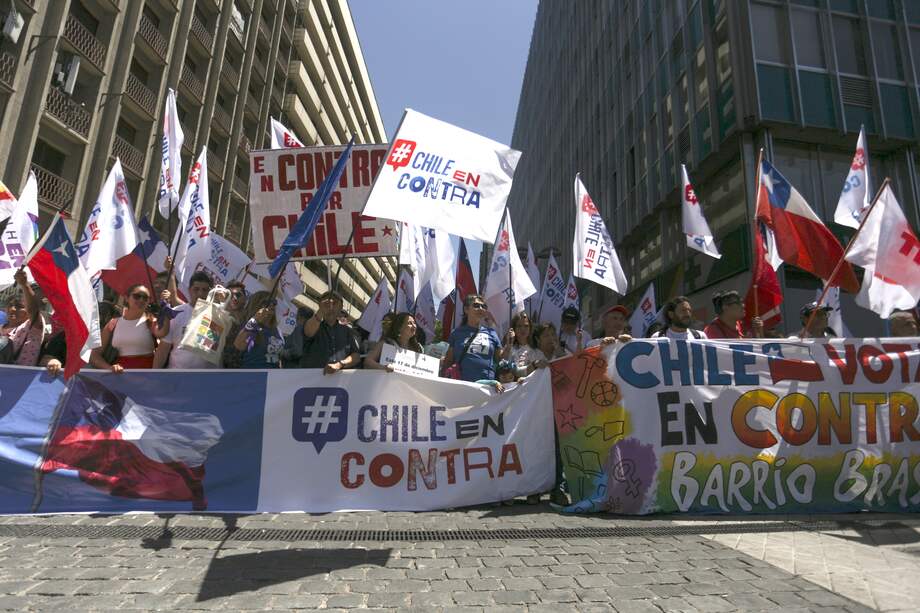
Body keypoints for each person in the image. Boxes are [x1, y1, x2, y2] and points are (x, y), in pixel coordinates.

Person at [90, 284, 168, 372]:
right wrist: (109, 368)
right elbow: (94, 356)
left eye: (145, 298)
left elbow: (163, 333)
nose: (141, 300)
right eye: (137, 296)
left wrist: (165, 307)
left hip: (147, 376)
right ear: (126, 298)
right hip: (120, 376)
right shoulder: (113, 323)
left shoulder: (151, 322)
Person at [152, 271, 222, 369]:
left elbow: (217, 349)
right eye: (196, 289)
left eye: (205, 290)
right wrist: (154, 374)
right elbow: (163, 349)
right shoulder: (176, 313)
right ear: (189, 290)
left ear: (211, 292)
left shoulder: (219, 316)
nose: (200, 293)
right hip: (177, 376)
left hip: (207, 378)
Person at [442, 294, 503, 382]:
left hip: (487, 386)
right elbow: (448, 361)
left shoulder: (492, 333)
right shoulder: (456, 333)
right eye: (476, 305)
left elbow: (500, 360)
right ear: (466, 309)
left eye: (483, 306)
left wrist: (509, 344)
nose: (481, 308)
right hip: (462, 385)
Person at [300, 290, 360, 374]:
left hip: (339, 381)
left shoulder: (347, 331)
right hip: (313, 381)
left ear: (341, 307)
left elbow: (356, 356)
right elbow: (309, 332)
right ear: (320, 305)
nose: (330, 307)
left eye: (335, 303)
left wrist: (340, 364)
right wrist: (321, 310)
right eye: (326, 303)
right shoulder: (313, 324)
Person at [3, 270, 47, 366]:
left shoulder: (32, 327)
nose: (12, 309)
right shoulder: (1, 327)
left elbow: (33, 310)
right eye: (10, 305)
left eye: (19, 306)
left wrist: (24, 284)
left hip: (21, 378)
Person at [234, 291, 284, 368]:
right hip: (253, 375)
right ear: (256, 304)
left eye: (274, 302)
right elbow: (239, 345)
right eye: (266, 302)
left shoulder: (277, 330)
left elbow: (278, 357)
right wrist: (255, 320)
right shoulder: (251, 325)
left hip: (273, 377)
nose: (271, 305)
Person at [220, 281, 249, 368]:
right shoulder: (220, 319)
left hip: (248, 369)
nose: (234, 298)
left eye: (238, 295)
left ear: (245, 298)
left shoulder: (252, 320)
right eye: (230, 295)